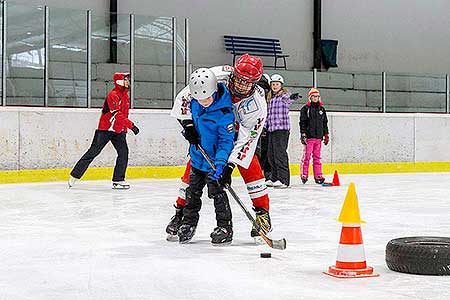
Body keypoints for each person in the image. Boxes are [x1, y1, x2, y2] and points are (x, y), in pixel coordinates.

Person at [167, 54, 272, 243]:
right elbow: (185, 97)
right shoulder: (214, 76)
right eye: (239, 80)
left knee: (251, 167)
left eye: (247, 83)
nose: (241, 86)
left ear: (255, 83)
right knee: (194, 167)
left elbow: (247, 140)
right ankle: (180, 211)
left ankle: (262, 214)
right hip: (211, 132)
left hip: (237, 133)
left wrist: (229, 166)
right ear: (234, 73)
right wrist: (188, 124)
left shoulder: (258, 106)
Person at [176, 68, 235, 245]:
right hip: (197, 158)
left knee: (217, 194)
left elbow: (226, 142)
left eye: (206, 98)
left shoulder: (225, 114)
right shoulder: (195, 103)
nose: (203, 103)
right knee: (192, 194)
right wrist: (189, 128)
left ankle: (225, 227)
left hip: (214, 163)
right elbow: (186, 116)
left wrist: (221, 164)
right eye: (199, 99)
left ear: (214, 91)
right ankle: (188, 224)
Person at [68, 72, 140, 189]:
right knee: (93, 152)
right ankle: (74, 175)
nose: (128, 82)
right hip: (105, 129)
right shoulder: (113, 95)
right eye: (126, 80)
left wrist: (124, 129)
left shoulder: (126, 96)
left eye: (128, 80)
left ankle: (118, 179)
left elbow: (124, 114)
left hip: (118, 130)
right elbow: (117, 114)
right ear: (119, 81)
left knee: (123, 153)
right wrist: (131, 126)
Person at [265, 74, 293, 189]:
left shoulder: (284, 97)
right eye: (273, 84)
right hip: (272, 129)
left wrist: (293, 97)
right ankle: (274, 177)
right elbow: (268, 115)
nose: (275, 86)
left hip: (281, 130)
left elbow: (290, 99)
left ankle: (284, 180)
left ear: (281, 86)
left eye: (277, 84)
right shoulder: (270, 99)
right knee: (271, 155)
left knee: (280, 154)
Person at [299, 88, 329, 184]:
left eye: (317, 96)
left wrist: (326, 134)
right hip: (309, 137)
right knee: (307, 156)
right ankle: (304, 174)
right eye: (313, 96)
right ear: (310, 98)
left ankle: (318, 175)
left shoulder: (322, 109)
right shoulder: (305, 109)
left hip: (318, 137)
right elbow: (302, 122)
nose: (315, 98)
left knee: (317, 157)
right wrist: (303, 134)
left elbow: (325, 123)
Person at [255, 73, 272, 180]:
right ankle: (261, 174)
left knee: (266, 152)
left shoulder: (270, 100)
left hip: (267, 129)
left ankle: (267, 174)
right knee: (259, 152)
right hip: (258, 128)